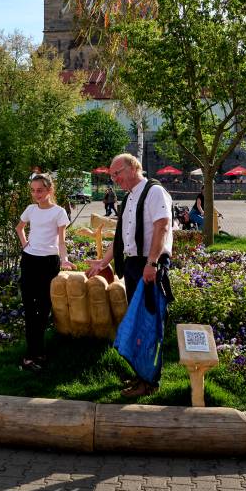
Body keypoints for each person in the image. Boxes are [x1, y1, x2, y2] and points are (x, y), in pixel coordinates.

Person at [86, 153, 172, 397]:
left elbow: (162, 226)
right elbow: (121, 238)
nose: (115, 179)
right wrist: (103, 262)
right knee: (137, 323)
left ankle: (150, 381)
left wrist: (152, 263)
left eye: (117, 173)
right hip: (135, 266)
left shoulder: (154, 191)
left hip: (149, 265)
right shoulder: (129, 199)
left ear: (134, 167)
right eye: (112, 175)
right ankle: (141, 376)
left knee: (148, 324)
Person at [14, 174, 72, 371]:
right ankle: (32, 355)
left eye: (39, 190)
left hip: (49, 263)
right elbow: (19, 228)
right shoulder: (31, 209)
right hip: (29, 261)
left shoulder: (59, 212)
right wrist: (25, 245)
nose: (35, 194)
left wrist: (64, 260)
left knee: (44, 308)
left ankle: (38, 352)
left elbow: (62, 241)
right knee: (30, 309)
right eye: (33, 190)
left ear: (49, 190)